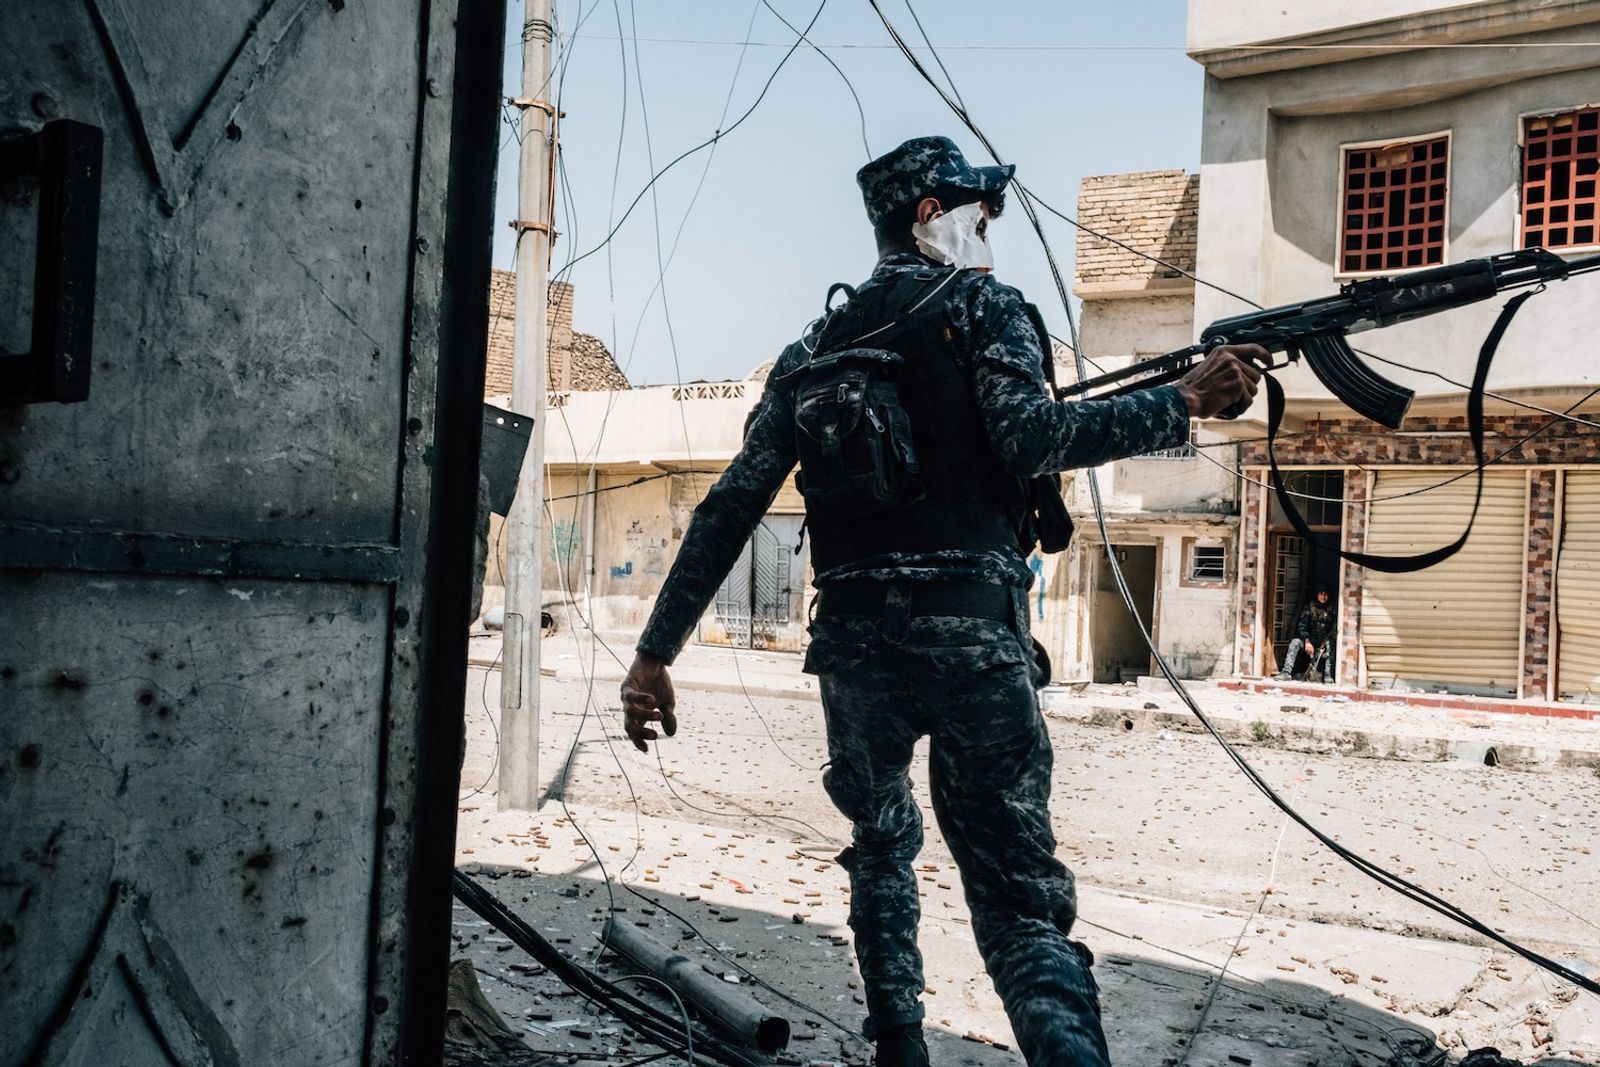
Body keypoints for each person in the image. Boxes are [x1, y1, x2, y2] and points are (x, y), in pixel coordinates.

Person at [619, 136, 1266, 1067]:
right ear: (930, 213)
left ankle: (900, 1050)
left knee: (880, 850)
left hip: (853, 649)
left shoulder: (814, 347)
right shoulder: (987, 308)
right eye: (979, 211)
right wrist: (1183, 400)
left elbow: (733, 502)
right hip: (973, 638)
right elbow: (1030, 436)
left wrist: (654, 654)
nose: (989, 229)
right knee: (1016, 903)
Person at [1276, 586, 1337, 683]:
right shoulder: (1309, 607)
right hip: (1310, 640)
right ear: (1317, 595)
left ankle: (1328, 676)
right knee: (1295, 642)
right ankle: (1286, 672)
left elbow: (1334, 627)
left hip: (1324, 641)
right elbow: (1302, 625)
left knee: (1330, 644)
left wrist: (1325, 642)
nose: (1323, 597)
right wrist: (1307, 641)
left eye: (1326, 594)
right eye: (1321, 594)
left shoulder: (1333, 608)